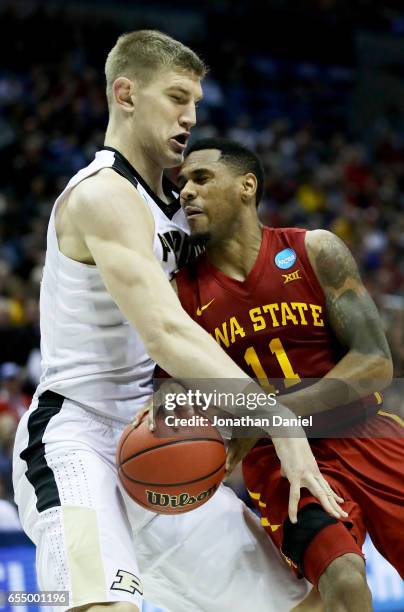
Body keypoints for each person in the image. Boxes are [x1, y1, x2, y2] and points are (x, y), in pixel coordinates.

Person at [12, 31, 343, 612]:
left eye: (196, 103)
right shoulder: (101, 195)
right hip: (77, 437)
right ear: (126, 94)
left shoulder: (185, 209)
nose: (191, 116)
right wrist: (278, 421)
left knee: (310, 605)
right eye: (176, 97)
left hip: (161, 437)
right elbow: (163, 329)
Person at [172, 137, 404, 612]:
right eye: (182, 184)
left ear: (246, 186)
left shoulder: (314, 250)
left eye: (200, 178)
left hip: (367, 434)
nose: (186, 193)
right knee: (342, 580)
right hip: (277, 462)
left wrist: (273, 415)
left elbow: (375, 362)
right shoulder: (181, 293)